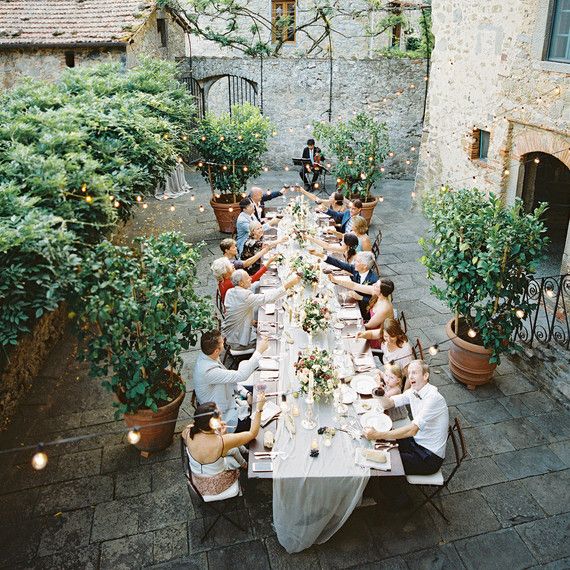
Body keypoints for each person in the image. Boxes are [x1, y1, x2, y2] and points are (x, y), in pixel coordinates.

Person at [364, 360, 449, 475]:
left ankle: (383, 487)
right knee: (379, 441)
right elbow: (388, 404)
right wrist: (378, 392)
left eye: (414, 372)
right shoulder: (413, 391)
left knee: (382, 459)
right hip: (416, 441)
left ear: (425, 375)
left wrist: (378, 434)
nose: (410, 376)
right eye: (409, 373)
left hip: (429, 457)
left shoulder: (433, 398)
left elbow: (412, 430)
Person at [182, 394, 267, 497]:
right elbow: (252, 434)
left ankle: (244, 459)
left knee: (232, 453)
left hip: (196, 480)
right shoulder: (221, 442)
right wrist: (259, 409)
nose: (221, 415)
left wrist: (219, 433)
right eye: (220, 416)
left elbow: (201, 441)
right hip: (215, 486)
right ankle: (245, 468)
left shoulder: (188, 431)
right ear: (212, 424)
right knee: (235, 456)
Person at [193, 330, 270, 432]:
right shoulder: (208, 371)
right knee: (263, 424)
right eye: (222, 342)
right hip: (226, 418)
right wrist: (259, 351)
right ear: (216, 350)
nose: (224, 342)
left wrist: (246, 394)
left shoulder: (207, 356)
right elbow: (241, 375)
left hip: (230, 396)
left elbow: (229, 380)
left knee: (265, 391)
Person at [223, 269, 302, 350]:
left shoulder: (230, 291)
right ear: (241, 283)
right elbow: (267, 298)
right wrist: (289, 284)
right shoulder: (244, 296)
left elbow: (237, 312)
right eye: (247, 278)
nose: (251, 278)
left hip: (231, 336)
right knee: (274, 340)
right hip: (238, 342)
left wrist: (250, 321)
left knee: (267, 324)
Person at [313, 250, 378, 318]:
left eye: (358, 261)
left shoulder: (373, 280)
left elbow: (375, 302)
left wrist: (360, 298)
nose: (354, 263)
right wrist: (319, 254)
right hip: (352, 302)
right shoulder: (357, 270)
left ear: (365, 266)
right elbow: (338, 263)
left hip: (363, 312)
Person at [334, 278, 394, 347]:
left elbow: (368, 326)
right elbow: (355, 286)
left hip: (374, 337)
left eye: (376, 285)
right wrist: (336, 280)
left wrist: (347, 323)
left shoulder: (384, 308)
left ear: (381, 291)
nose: (373, 285)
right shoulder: (377, 293)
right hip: (367, 328)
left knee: (341, 336)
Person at [211, 256, 276, 303]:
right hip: (238, 306)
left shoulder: (224, 280)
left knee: (259, 284)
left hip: (236, 300)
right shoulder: (230, 282)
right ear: (225, 272)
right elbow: (252, 279)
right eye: (229, 265)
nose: (233, 265)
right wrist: (267, 264)